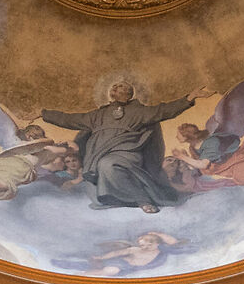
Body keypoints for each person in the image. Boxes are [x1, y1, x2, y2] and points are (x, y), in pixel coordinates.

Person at [41, 80, 211, 213]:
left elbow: (164, 110)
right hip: (101, 154)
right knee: (105, 164)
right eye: (117, 86)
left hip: (128, 153)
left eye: (124, 87)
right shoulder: (98, 114)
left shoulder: (139, 111)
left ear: (130, 94)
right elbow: (69, 119)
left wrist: (189, 98)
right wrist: (44, 114)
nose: (120, 88)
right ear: (111, 93)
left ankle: (142, 199)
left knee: (108, 164)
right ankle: (119, 197)